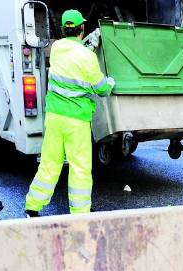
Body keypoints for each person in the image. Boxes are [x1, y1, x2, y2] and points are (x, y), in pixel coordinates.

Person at [24, 9, 115, 217]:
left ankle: (33, 205)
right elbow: (100, 88)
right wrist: (109, 83)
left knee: (49, 163)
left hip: (55, 117)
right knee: (80, 166)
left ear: (65, 29)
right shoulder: (87, 56)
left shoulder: (56, 48)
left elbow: (72, 60)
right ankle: (80, 211)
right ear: (82, 28)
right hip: (77, 120)